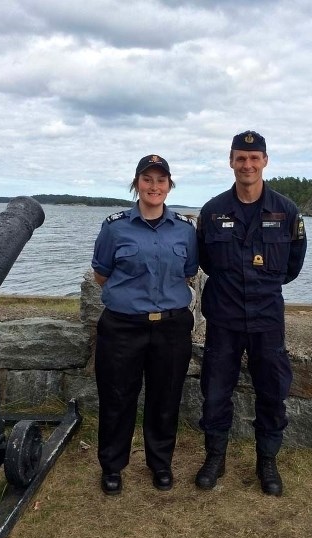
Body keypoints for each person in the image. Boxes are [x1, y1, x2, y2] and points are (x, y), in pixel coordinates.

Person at [195, 131, 307, 496]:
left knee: (272, 393)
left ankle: (267, 462)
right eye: (240, 158)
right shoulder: (213, 211)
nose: (247, 164)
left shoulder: (286, 211)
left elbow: (292, 266)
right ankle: (215, 457)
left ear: (265, 161)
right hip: (224, 319)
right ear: (231, 161)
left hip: (267, 320)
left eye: (254, 158)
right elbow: (206, 261)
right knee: (214, 392)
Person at [92, 154, 198, 495]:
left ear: (169, 186)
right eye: (147, 179)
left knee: (165, 398)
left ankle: (160, 463)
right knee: (117, 397)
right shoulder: (115, 226)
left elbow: (189, 271)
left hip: (171, 327)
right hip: (123, 327)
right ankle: (112, 466)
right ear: (136, 183)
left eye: (161, 180)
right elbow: (101, 274)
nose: (154, 186)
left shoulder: (185, 229)